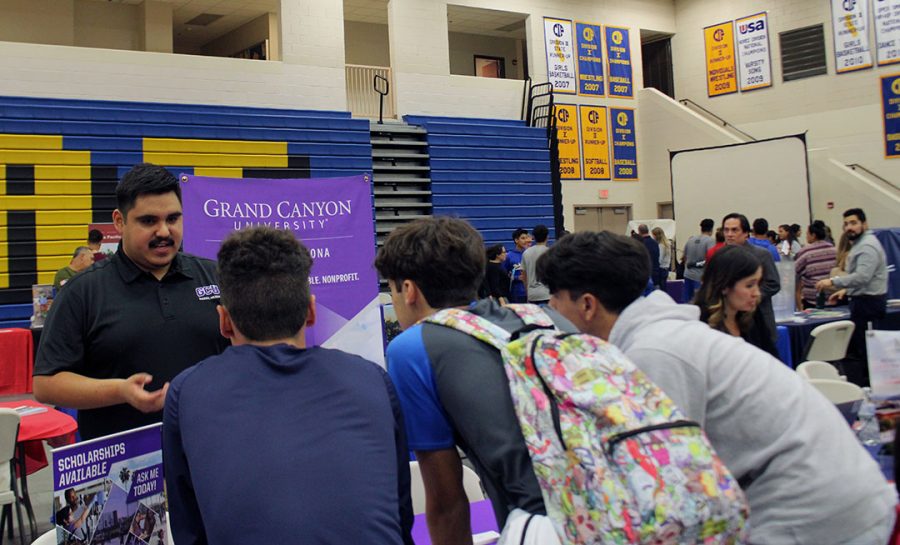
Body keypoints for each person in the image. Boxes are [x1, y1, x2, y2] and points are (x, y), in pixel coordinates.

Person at [536, 231, 897, 545]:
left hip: (816, 517)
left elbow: (663, 488)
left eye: (555, 297)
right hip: (830, 501)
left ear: (587, 305)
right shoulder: (662, 334)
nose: (550, 308)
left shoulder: (655, 353)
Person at [163, 227, 413, 545]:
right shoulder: (372, 379)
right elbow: (400, 517)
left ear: (223, 321)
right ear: (311, 312)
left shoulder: (187, 393)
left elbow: (191, 532)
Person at [375, 217, 573, 545]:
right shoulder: (547, 318)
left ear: (408, 290)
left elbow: (446, 501)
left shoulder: (412, 348)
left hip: (545, 527)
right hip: (626, 506)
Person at [33, 163, 230, 440]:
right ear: (119, 221)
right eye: (149, 221)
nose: (164, 231)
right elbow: (46, 384)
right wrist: (120, 391)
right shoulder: (82, 292)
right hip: (123, 467)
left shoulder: (216, 276)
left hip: (209, 450)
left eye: (173, 219)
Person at [816, 208, 889, 386]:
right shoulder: (860, 244)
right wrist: (846, 291)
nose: (849, 227)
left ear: (864, 224)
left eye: (854, 223)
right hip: (863, 301)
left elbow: (863, 277)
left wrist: (832, 281)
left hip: (868, 305)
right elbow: (865, 278)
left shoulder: (867, 246)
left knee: (865, 353)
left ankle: (869, 391)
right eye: (846, 224)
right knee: (861, 351)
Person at [694, 245, 778, 357]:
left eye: (758, 284)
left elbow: (772, 359)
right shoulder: (699, 327)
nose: (757, 293)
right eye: (749, 285)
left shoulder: (753, 316)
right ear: (724, 286)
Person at [722, 213, 780, 344]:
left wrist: (750, 295)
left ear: (746, 233)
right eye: (726, 230)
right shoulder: (720, 257)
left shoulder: (762, 255)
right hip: (729, 322)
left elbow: (773, 284)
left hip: (758, 318)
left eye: (734, 230)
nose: (729, 234)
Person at [794, 220, 836, 309]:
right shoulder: (834, 250)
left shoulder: (805, 252)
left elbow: (795, 273)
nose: (806, 236)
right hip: (834, 299)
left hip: (813, 302)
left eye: (807, 234)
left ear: (813, 235)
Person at [682, 218, 715, 303]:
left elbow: (684, 257)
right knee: (700, 302)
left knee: (687, 301)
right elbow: (710, 258)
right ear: (711, 229)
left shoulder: (690, 240)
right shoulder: (710, 241)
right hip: (700, 276)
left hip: (688, 274)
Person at [521, 224, 551, 304]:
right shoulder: (551, 253)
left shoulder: (526, 253)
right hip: (548, 294)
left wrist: (528, 293)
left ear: (533, 237)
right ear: (547, 237)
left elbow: (524, 276)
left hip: (532, 294)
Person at [503, 227, 530, 303]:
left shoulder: (530, 254)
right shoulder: (509, 256)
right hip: (516, 294)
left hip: (531, 293)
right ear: (516, 240)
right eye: (523, 238)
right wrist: (517, 278)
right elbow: (503, 276)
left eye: (526, 238)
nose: (525, 241)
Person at [637, 224, 660, 288]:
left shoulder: (639, 244)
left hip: (645, 276)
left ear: (639, 232)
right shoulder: (655, 243)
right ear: (648, 231)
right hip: (655, 274)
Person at [651, 226, 670, 292]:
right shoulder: (667, 244)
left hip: (661, 270)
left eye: (653, 235)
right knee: (663, 288)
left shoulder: (661, 246)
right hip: (665, 269)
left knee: (661, 289)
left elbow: (660, 259)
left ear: (656, 236)